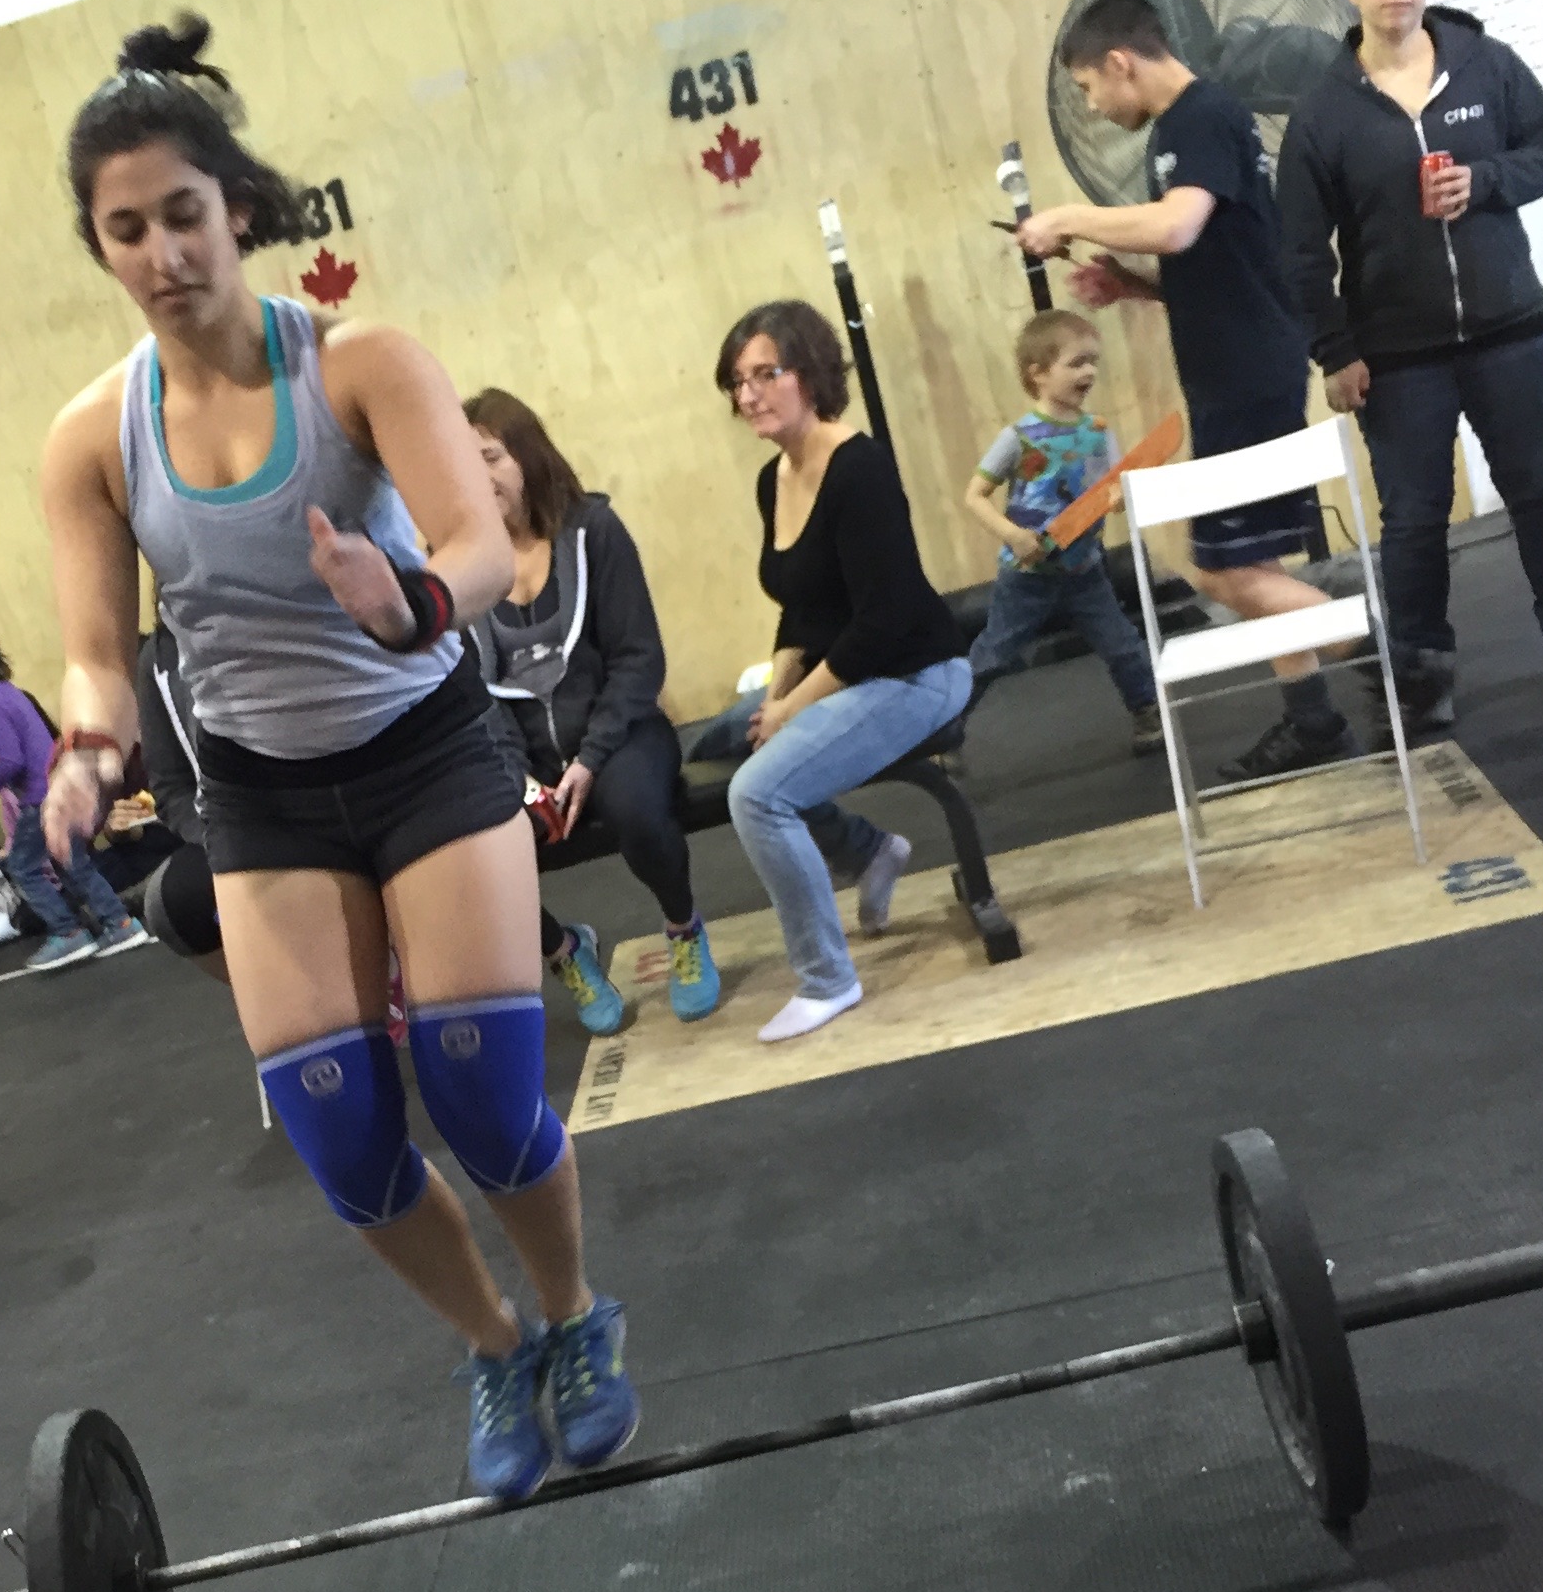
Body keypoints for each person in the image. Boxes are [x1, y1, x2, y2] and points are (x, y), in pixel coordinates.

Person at [34, 12, 638, 1500]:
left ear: (237, 207)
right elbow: (99, 652)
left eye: (184, 213)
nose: (164, 251)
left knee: (484, 1102)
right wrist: (89, 747)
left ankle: (575, 1316)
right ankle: (494, 1342)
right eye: (127, 230)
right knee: (346, 1147)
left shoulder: (358, 362)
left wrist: (407, 599)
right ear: (98, 246)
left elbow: (479, 544)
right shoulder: (92, 439)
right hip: (264, 798)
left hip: (426, 754)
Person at [1018, 0, 1369, 784]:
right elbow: (1221, 260)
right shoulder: (1187, 129)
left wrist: (1069, 215)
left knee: (1220, 569)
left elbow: (1176, 226)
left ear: (1120, 63)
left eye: (1087, 88)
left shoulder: (1199, 118)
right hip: (1237, 369)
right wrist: (1133, 285)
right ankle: (1312, 717)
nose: (1092, 107)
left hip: (1247, 376)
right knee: (1252, 562)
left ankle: (1387, 651)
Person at [1277, 0, 1543, 728]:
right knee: (1414, 520)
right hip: (1397, 355)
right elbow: (1298, 250)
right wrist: (1335, 349)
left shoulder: (1487, 64)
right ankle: (1424, 676)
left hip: (1513, 330)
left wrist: (1487, 180)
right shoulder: (1321, 113)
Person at [683, 301, 971, 1044]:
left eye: (764, 375)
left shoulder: (859, 468)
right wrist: (775, 696)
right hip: (847, 669)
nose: (748, 395)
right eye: (737, 382)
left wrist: (791, 710)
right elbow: (801, 608)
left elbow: (884, 621)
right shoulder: (773, 477)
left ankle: (827, 980)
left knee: (757, 794)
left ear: (809, 375)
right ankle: (867, 851)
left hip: (916, 671)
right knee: (722, 741)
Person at [462, 387, 720, 1030]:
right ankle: (564, 951)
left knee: (636, 811)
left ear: (526, 455)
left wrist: (590, 758)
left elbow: (639, 659)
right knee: (473, 850)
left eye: (490, 457)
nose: (478, 477)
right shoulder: (460, 566)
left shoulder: (594, 531)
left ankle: (684, 928)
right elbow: (475, 695)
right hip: (524, 757)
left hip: (621, 734)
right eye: (463, 464)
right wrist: (521, 779)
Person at [958, 308, 1164, 753]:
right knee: (991, 656)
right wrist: (1013, 535)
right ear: (1038, 374)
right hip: (1026, 577)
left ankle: (1148, 711)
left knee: (1122, 646)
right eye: (1076, 363)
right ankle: (943, 732)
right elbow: (974, 496)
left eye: (1093, 362)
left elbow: (1116, 488)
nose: (1089, 372)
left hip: (1085, 570)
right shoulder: (1018, 436)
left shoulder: (1099, 433)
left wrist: (1120, 496)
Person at [0, 614, 145, 971]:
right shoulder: (10, 694)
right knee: (73, 863)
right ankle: (120, 923)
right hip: (54, 791)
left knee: (22, 866)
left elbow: (11, 761)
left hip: (39, 800)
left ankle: (68, 932)